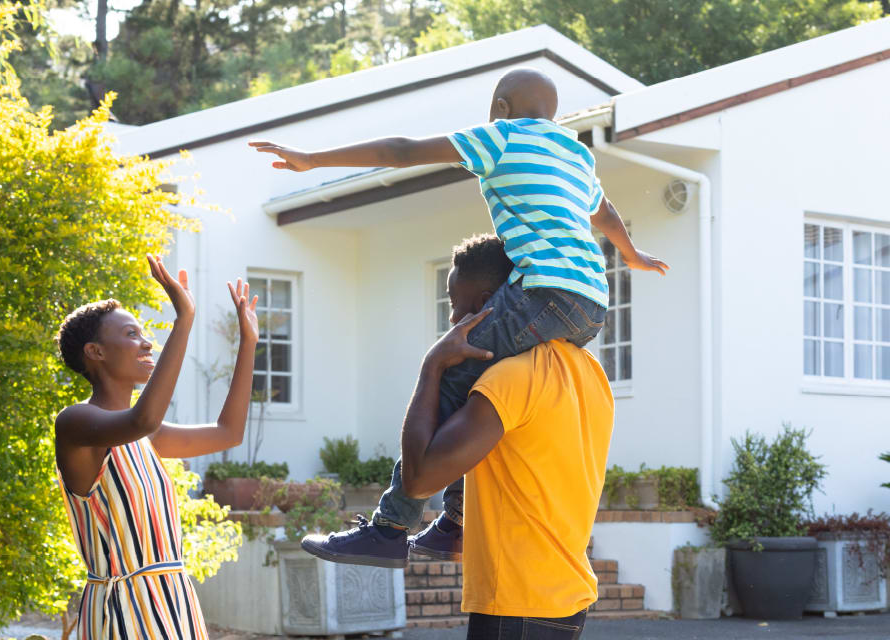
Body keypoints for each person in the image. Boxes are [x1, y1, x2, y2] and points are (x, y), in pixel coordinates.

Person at [252, 68, 665, 568]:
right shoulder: (574, 153)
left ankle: (388, 529)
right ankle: (456, 523)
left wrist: (313, 159)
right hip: (590, 306)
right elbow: (604, 213)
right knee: (484, 384)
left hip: (543, 294)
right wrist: (632, 253)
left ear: (503, 107)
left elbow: (402, 151)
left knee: (448, 370)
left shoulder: (503, 136)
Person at [370, 235, 614, 638]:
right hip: (566, 596)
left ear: (488, 303)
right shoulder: (590, 372)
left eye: (454, 305)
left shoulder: (510, 377)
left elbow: (418, 480)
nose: (452, 321)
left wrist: (432, 367)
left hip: (516, 601)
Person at [54, 255, 258, 640]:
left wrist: (248, 342)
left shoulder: (147, 437)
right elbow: (142, 419)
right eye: (132, 334)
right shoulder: (75, 423)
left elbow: (228, 432)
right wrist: (184, 319)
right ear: (95, 352)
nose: (147, 342)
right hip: (122, 614)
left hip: (174, 604)